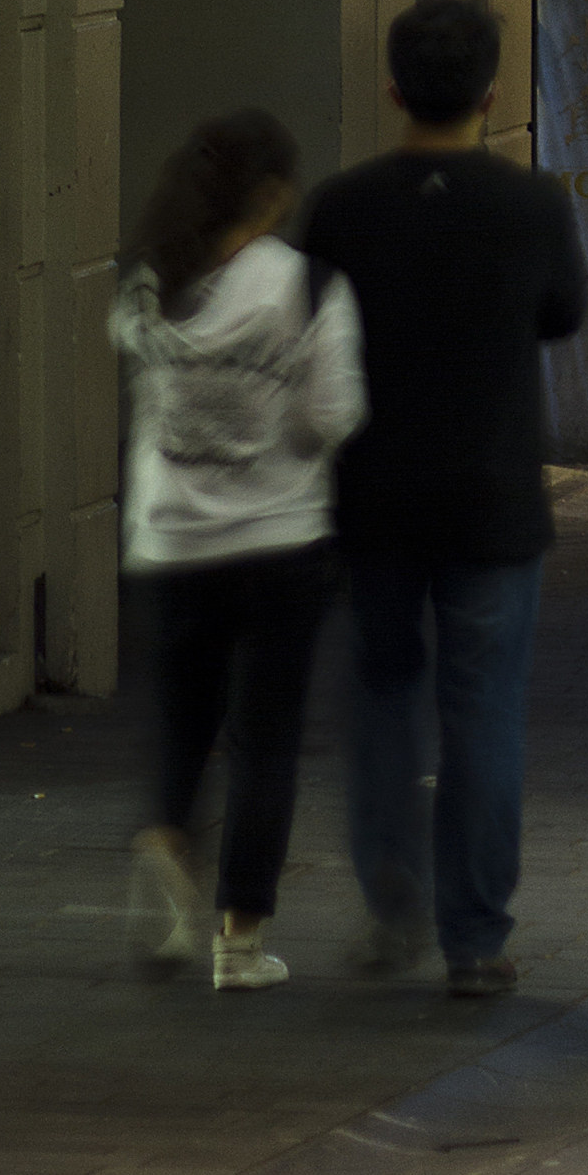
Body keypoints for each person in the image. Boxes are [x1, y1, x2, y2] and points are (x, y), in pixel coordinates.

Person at [300, 0, 588, 1000]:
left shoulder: (339, 209)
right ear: (490, 92)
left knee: (381, 699)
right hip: (493, 497)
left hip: (374, 496)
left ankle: (391, 898)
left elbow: (308, 340)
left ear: (391, 89)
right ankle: (476, 936)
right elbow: (565, 313)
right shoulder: (534, 205)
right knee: (484, 713)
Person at [115, 109, 367, 992]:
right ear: (268, 194)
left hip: (171, 537)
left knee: (182, 717)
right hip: (276, 541)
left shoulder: (149, 280)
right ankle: (240, 939)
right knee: (265, 740)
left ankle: (164, 835)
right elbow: (333, 415)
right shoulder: (304, 286)